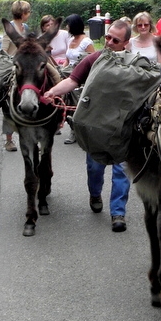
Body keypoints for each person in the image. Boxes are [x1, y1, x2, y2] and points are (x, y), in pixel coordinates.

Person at [43, 19, 133, 233]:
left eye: (115, 40)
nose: (109, 42)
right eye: (108, 37)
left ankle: (118, 213)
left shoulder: (134, 63)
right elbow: (72, 81)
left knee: (122, 170)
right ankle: (95, 193)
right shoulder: (94, 59)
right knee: (95, 168)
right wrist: (52, 92)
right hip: (95, 126)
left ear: (126, 43)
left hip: (122, 127)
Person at [0, 0, 32, 152]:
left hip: (25, 70)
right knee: (9, 106)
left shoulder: (25, 27)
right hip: (12, 69)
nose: (29, 14)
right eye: (28, 12)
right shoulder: (10, 28)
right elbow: (4, 51)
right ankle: (9, 140)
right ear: (23, 13)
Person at [62, 14, 95, 145]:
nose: (66, 27)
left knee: (77, 103)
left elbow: (93, 60)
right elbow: (67, 60)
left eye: (68, 24)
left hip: (81, 76)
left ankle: (77, 131)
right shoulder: (71, 41)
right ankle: (71, 126)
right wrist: (61, 69)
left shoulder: (86, 42)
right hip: (69, 74)